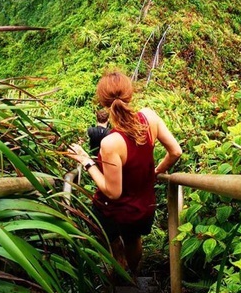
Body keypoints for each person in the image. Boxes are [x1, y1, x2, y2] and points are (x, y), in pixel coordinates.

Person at [68, 69, 182, 275]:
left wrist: (87, 162)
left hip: (111, 207)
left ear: (102, 102)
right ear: (130, 95)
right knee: (133, 239)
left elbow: (113, 192)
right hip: (142, 205)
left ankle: (117, 262)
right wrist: (156, 171)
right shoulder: (150, 118)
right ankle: (132, 273)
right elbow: (175, 151)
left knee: (108, 233)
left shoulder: (111, 143)